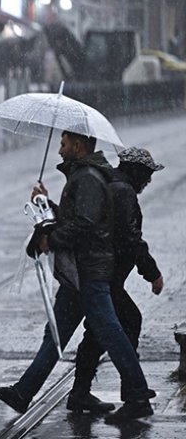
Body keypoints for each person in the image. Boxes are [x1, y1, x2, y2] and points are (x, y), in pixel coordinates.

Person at [0, 131, 156, 424]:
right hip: (78, 273)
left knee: (111, 333)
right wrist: (46, 204)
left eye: (63, 144)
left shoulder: (88, 177)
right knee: (56, 334)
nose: (59, 150)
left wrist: (51, 241)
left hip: (89, 271)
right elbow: (75, 218)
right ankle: (23, 393)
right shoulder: (82, 175)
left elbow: (85, 227)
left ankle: (138, 396)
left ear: (78, 146)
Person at [68, 147, 165, 413]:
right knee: (127, 322)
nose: (149, 180)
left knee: (99, 333)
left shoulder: (113, 185)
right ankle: (134, 396)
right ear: (135, 171)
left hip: (100, 274)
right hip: (104, 276)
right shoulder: (123, 192)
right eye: (147, 174)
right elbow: (129, 237)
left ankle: (81, 393)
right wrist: (152, 273)